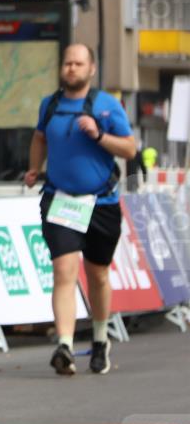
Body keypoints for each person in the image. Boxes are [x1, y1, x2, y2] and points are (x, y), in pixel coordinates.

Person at [24, 43, 136, 376]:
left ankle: (101, 338)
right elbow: (39, 138)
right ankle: (65, 345)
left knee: (98, 274)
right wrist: (33, 168)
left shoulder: (107, 105)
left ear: (91, 69)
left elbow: (129, 148)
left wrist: (100, 135)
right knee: (63, 271)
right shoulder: (51, 104)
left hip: (101, 202)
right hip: (60, 199)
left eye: (78, 63)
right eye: (67, 63)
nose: (71, 68)